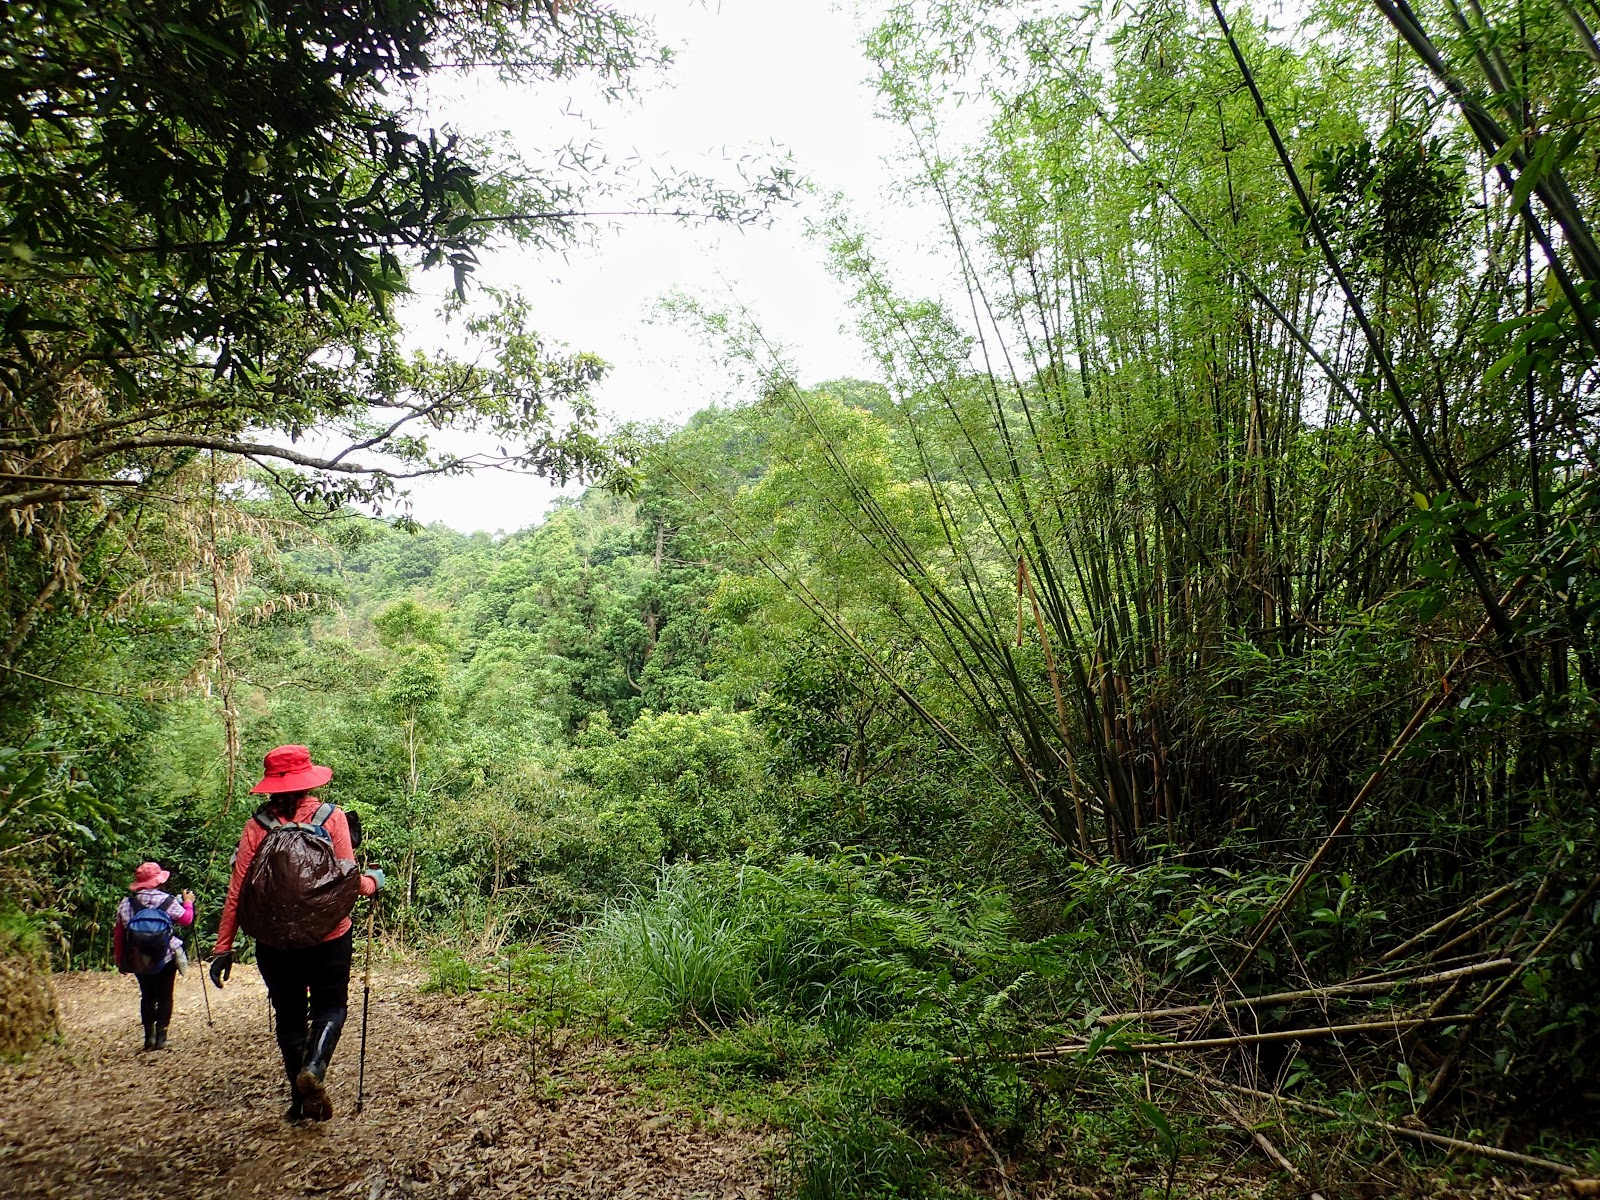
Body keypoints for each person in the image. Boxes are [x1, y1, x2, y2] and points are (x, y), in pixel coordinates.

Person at [208, 745, 384, 1122]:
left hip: (275, 944)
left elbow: (238, 890)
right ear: (309, 781)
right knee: (330, 1007)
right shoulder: (331, 817)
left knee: (289, 1018)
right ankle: (315, 1069)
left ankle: (301, 1102)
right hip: (329, 937)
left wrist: (224, 947)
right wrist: (373, 882)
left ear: (271, 785)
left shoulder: (257, 827)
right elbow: (348, 880)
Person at [114, 861, 195, 1051]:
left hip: (138, 957)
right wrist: (188, 903)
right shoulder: (167, 900)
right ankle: (162, 1038)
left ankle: (148, 1038)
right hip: (165, 956)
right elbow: (186, 920)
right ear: (159, 881)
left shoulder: (127, 904)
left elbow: (119, 934)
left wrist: (120, 960)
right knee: (165, 996)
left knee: (147, 996)